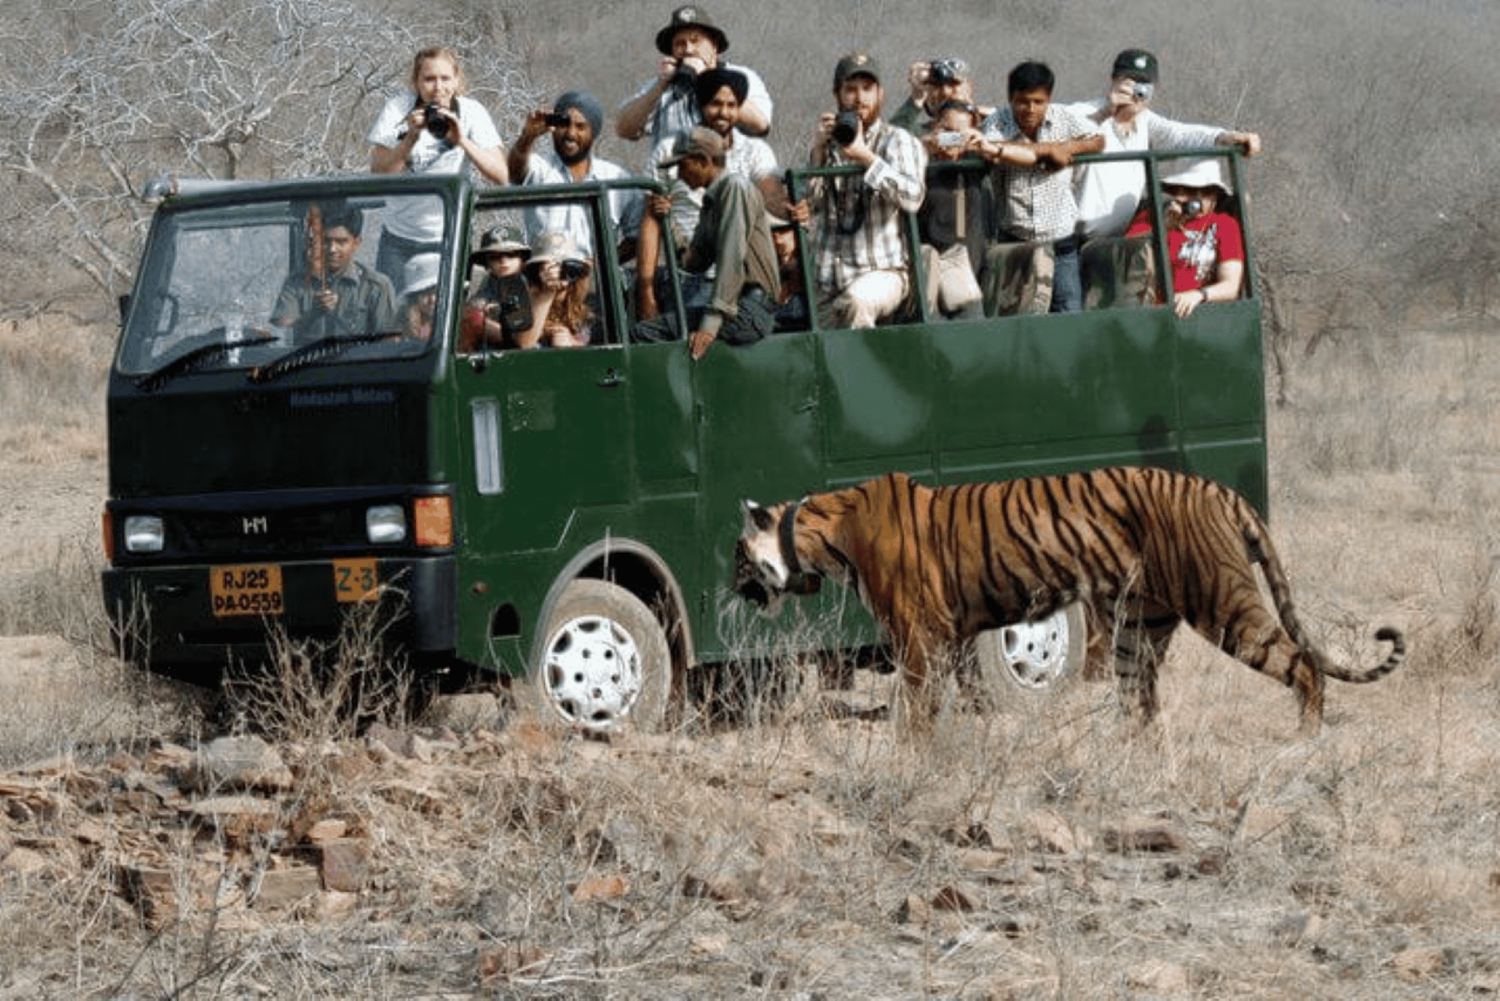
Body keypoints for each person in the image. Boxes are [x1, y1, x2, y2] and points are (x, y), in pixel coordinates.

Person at [1065, 49, 1264, 241]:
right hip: (1076, 240)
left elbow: (1180, 134)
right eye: (1129, 80)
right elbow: (1052, 127)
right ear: (1113, 81)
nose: (1136, 91)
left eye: (1144, 85)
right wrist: (1107, 112)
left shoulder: (1145, 120)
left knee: (1180, 213)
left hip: (1122, 237)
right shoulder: (1083, 113)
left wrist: (1226, 136)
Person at [637, 67, 781, 321]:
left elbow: (774, 204)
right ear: (701, 104)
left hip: (741, 283)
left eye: (732, 104)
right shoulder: (669, 152)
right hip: (685, 277)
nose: (724, 112)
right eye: (715, 104)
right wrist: (646, 292)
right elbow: (651, 221)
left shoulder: (755, 152)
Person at [800, 53, 927, 329]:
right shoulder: (827, 142)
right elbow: (807, 205)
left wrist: (864, 157)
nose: (860, 98)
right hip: (825, 279)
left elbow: (913, 197)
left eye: (868, 89)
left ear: (880, 93)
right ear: (837, 95)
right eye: (851, 89)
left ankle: (861, 372)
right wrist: (818, 152)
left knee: (855, 303)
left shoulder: (898, 140)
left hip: (881, 272)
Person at [367, 46, 509, 288]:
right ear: (416, 81)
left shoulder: (471, 112)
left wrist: (462, 140)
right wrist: (410, 138)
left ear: (456, 80)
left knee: (447, 317)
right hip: (399, 237)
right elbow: (379, 173)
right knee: (394, 319)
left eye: (445, 79)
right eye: (429, 79)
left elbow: (502, 175)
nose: (437, 88)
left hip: (450, 236)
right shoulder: (398, 109)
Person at [979, 61, 1104, 315]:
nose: (1030, 109)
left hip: (1061, 239)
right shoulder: (997, 123)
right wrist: (1048, 150)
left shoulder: (1062, 116)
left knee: (1068, 310)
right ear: (1011, 98)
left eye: (1039, 101)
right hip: (1016, 239)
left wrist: (1068, 148)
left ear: (1049, 99)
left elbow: (1098, 139)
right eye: (1023, 101)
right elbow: (995, 151)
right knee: (1015, 314)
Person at [644, 128, 780, 360]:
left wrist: (711, 323)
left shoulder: (735, 188)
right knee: (655, 325)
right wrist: (666, 221)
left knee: (645, 333)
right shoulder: (713, 201)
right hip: (739, 307)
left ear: (703, 161)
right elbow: (692, 262)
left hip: (750, 309)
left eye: (682, 165)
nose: (678, 174)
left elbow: (732, 257)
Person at [919, 101, 1035, 321]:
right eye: (946, 131)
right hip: (929, 270)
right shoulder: (917, 158)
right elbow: (889, 149)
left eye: (959, 134)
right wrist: (926, 144)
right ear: (935, 127)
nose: (951, 139)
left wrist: (987, 145)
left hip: (968, 270)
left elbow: (1031, 155)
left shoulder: (973, 159)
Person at [507, 90, 642, 258]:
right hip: (545, 277)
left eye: (580, 127)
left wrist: (601, 268)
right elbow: (514, 172)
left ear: (594, 133)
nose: (570, 134)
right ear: (554, 128)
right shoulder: (539, 169)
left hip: (594, 280)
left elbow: (637, 236)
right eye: (564, 125)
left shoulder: (617, 178)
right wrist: (527, 136)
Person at [616, 5, 773, 148]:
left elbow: (761, 124)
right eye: (680, 44)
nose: (688, 49)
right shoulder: (662, 86)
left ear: (714, 46)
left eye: (695, 41)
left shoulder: (742, 77)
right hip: (671, 175)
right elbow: (624, 129)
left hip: (730, 174)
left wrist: (708, 77)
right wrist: (660, 86)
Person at [1124, 157, 1244, 318]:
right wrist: (1163, 227)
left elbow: (1231, 285)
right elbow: (1126, 254)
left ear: (1212, 195)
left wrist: (1198, 295)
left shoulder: (1224, 224)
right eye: (1177, 190)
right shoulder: (1152, 216)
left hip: (1204, 312)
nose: (1181, 197)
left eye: (1191, 191)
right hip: (1155, 312)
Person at [270, 206, 396, 344]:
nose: (332, 249)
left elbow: (388, 343)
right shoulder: (297, 282)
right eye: (325, 241)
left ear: (356, 243)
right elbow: (281, 332)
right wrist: (312, 313)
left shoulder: (376, 287)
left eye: (341, 242)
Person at [459, 225, 532, 352]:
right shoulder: (490, 282)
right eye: (495, 257)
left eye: (511, 255)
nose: (503, 261)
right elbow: (478, 305)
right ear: (487, 263)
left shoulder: (531, 283)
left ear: (522, 259)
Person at [516, 231, 594, 349]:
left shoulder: (592, 304)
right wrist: (547, 292)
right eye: (550, 267)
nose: (557, 273)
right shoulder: (523, 301)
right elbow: (525, 343)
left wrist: (573, 343)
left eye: (565, 266)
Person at [891, 58, 990, 137]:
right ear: (929, 99)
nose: (945, 92)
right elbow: (892, 138)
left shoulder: (991, 128)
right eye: (937, 87)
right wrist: (917, 98)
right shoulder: (924, 134)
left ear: (969, 88)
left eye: (953, 84)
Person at [768, 210, 808, 332]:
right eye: (773, 233)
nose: (778, 239)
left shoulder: (808, 257)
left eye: (783, 232)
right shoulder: (768, 261)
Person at [397, 253, 442, 341]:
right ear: (414, 299)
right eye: (425, 294)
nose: (432, 299)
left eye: (436, 292)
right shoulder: (401, 329)